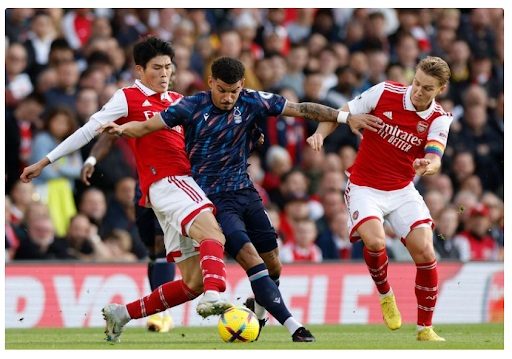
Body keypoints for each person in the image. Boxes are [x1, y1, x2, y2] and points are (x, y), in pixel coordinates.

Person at [99, 56, 382, 342]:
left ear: (242, 86)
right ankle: (293, 326)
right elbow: (149, 125)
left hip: (246, 192)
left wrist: (345, 117)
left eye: (234, 90)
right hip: (211, 198)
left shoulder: (252, 100)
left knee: (266, 267)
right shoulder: (191, 106)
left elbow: (301, 109)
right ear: (211, 83)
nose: (228, 97)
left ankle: (123, 313)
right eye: (222, 90)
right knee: (249, 258)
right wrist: (123, 130)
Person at [19, 37, 232, 343]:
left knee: (192, 282)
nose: (164, 74)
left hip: (181, 184)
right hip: (167, 181)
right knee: (214, 235)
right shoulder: (128, 97)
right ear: (139, 69)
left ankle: (122, 314)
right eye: (156, 67)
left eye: (168, 67)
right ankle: (214, 297)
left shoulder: (176, 100)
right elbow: (89, 130)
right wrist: (45, 161)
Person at [307, 56, 453, 341]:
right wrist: (319, 134)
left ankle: (425, 328)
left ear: (441, 90)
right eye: (417, 83)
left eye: (427, 88)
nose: (418, 91)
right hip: (364, 186)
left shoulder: (440, 118)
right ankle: (386, 294)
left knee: (425, 251)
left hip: (402, 190)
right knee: (375, 241)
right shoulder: (385, 92)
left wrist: (428, 165)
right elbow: (341, 113)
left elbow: (436, 156)